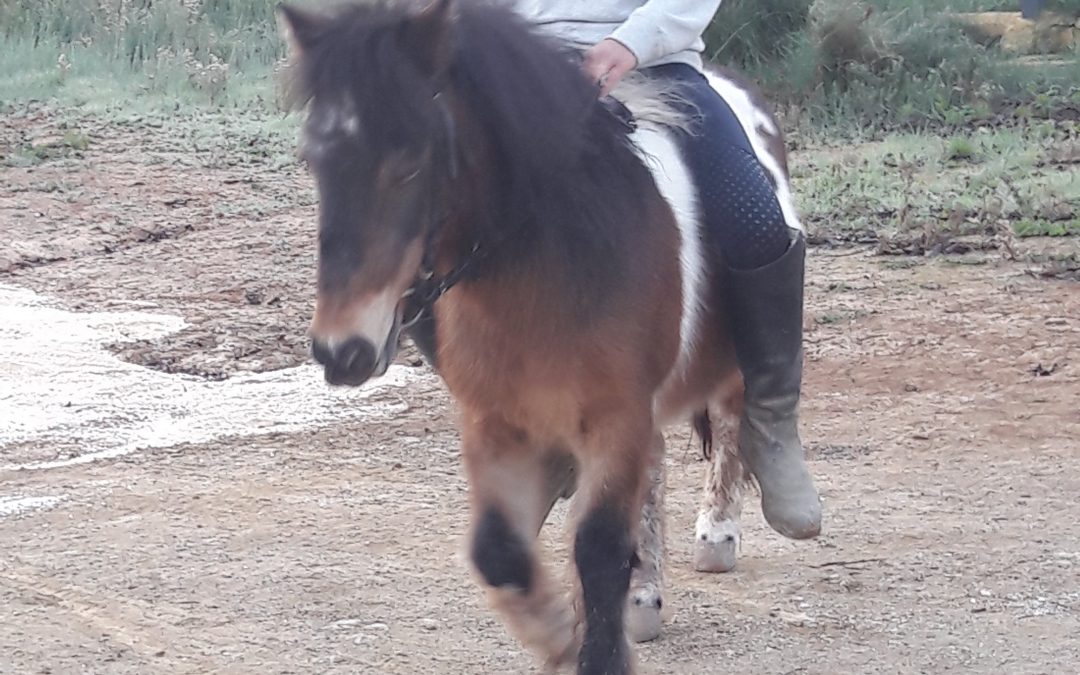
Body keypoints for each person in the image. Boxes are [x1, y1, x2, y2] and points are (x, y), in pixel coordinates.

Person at [515, 0, 822, 540]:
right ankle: (537, 436)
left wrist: (629, 44)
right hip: (524, 64)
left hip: (656, 66)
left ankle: (771, 419)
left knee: (757, 221)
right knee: (421, 215)